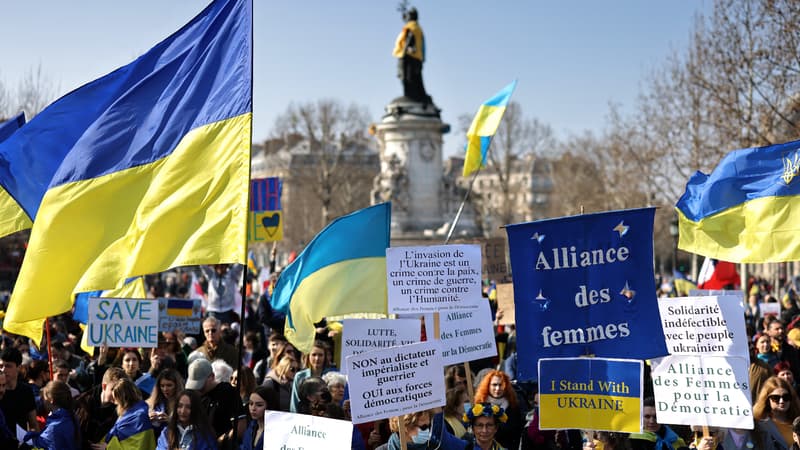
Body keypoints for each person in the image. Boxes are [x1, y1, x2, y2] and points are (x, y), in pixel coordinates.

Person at [185, 358, 244, 447]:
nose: (197, 388)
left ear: (212, 376)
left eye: (201, 384)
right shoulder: (195, 396)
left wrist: (219, 441)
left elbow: (240, 426)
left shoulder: (227, 392)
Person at [93, 378, 156, 450]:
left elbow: (137, 447)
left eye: (116, 399)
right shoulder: (129, 412)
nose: (115, 403)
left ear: (123, 398)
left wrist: (108, 447)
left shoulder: (139, 417)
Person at [20, 380, 80, 450]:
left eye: (44, 398)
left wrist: (30, 437)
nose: (43, 402)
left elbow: (44, 442)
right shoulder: (71, 416)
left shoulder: (54, 426)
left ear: (51, 400)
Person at [474, 370, 523, 450]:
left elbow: (517, 433)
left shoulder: (513, 406)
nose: (497, 388)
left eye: (501, 385)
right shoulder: (480, 405)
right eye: (494, 385)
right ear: (488, 386)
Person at [392, 7, 430, 103]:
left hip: (408, 56)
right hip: (416, 58)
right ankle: (416, 96)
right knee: (415, 80)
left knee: (408, 79)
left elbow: (409, 40)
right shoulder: (417, 28)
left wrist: (405, 51)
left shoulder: (411, 27)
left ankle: (411, 97)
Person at [377, 409, 467, 450]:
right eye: (423, 427)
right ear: (405, 426)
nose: (427, 431)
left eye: (428, 426)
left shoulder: (435, 447)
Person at [754, 376, 800, 448]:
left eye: (786, 397)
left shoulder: (797, 420)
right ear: (767, 400)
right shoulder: (760, 425)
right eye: (776, 398)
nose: (781, 401)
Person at [0, 346, 38, 432]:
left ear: (19, 367)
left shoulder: (26, 391)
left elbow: (33, 424)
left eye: (8, 366)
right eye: (1, 365)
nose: (3, 369)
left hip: (20, 443)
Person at [290, 340, 332, 412]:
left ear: (325, 357)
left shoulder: (331, 375)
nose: (317, 358)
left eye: (320, 355)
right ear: (308, 356)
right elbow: (295, 402)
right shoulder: (300, 376)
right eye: (314, 354)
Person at [146, 369, 184, 437]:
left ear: (176, 386)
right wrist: (148, 418)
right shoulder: (153, 403)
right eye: (162, 386)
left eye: (169, 385)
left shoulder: (183, 404)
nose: (165, 389)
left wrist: (170, 422)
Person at [240, 385, 279, 450]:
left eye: (259, 405)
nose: (253, 408)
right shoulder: (250, 427)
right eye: (251, 403)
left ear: (270, 406)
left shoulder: (277, 431)